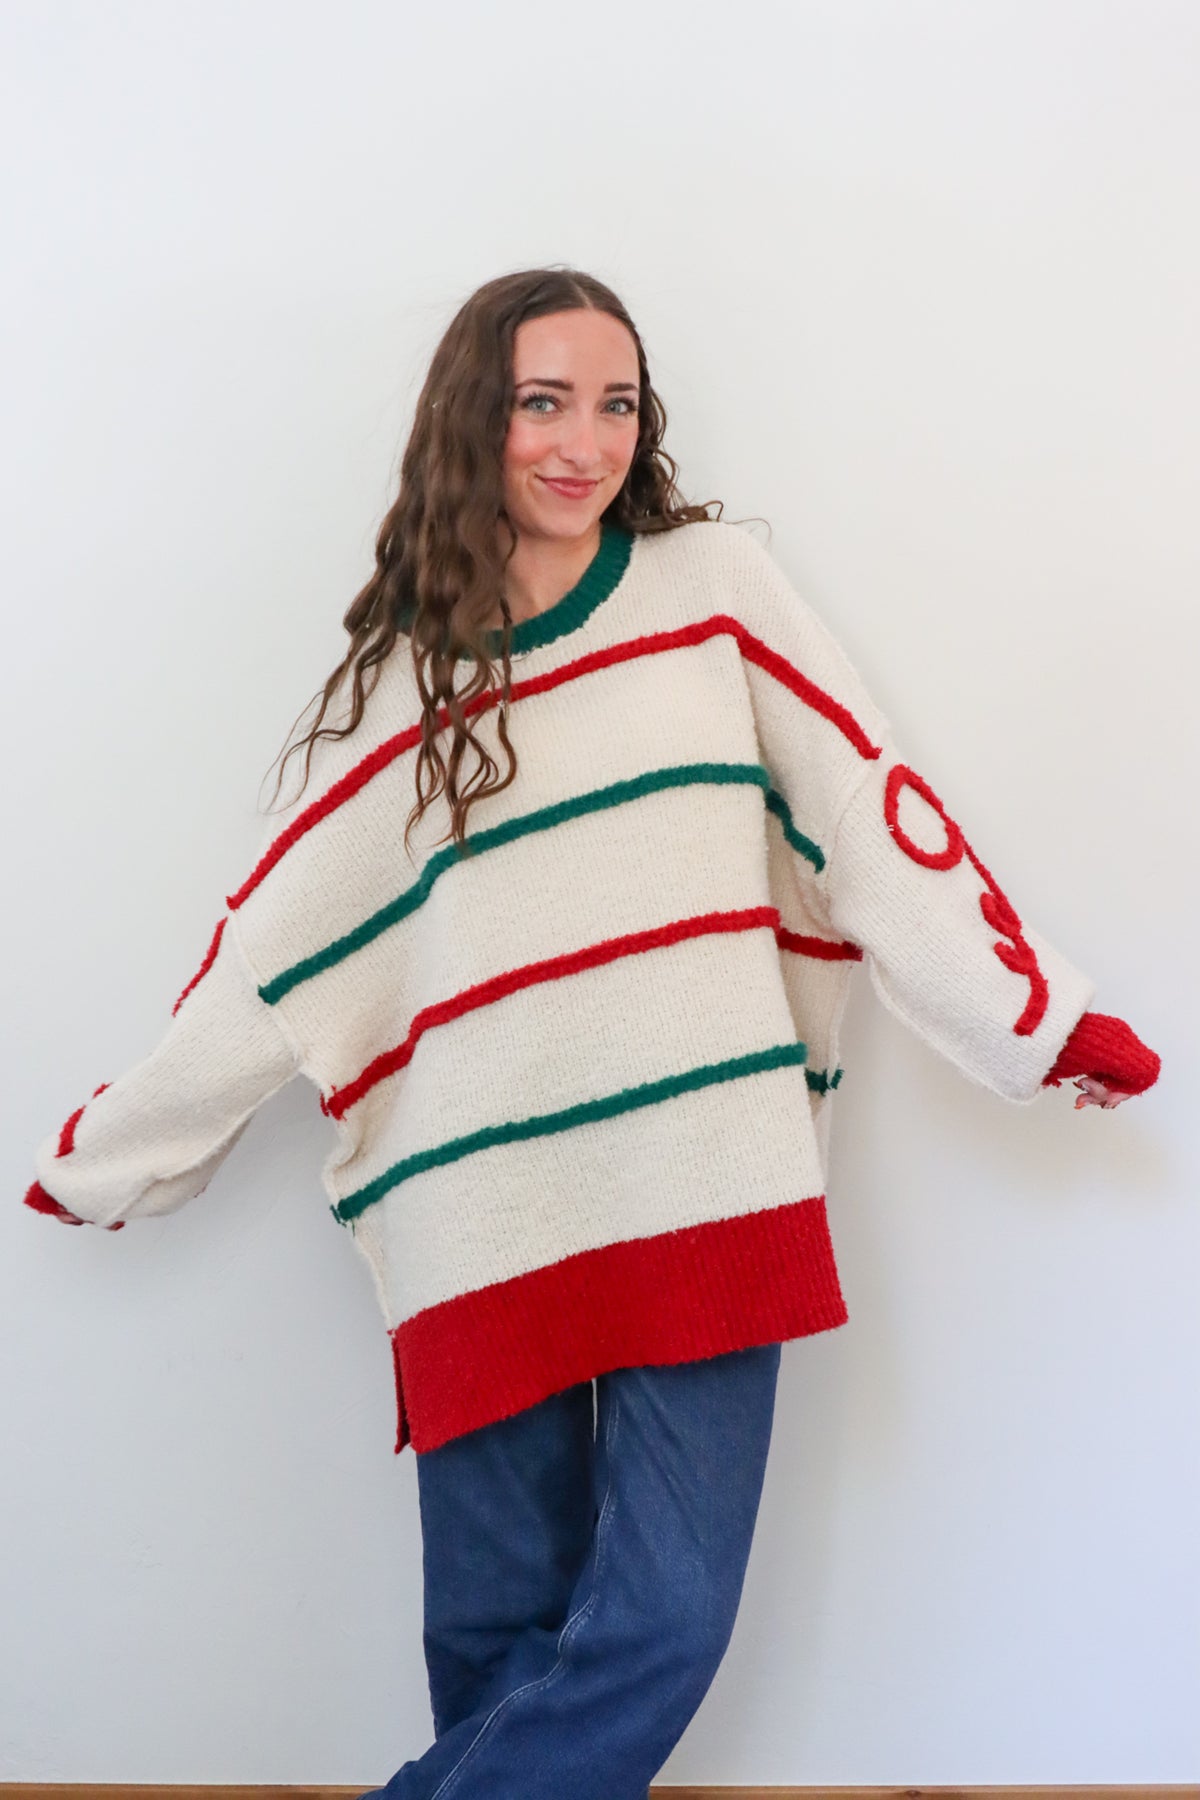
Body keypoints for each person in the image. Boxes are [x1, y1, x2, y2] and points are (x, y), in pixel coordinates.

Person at [23, 267, 1161, 1799]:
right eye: (540, 401)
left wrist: (1036, 1021)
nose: (584, 441)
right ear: (470, 422)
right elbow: (270, 963)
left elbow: (865, 814)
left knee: (660, 1628)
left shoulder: (715, 591)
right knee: (498, 1653)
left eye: (614, 402)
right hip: (480, 1215)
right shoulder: (401, 696)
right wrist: (122, 1150)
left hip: (709, 1176)